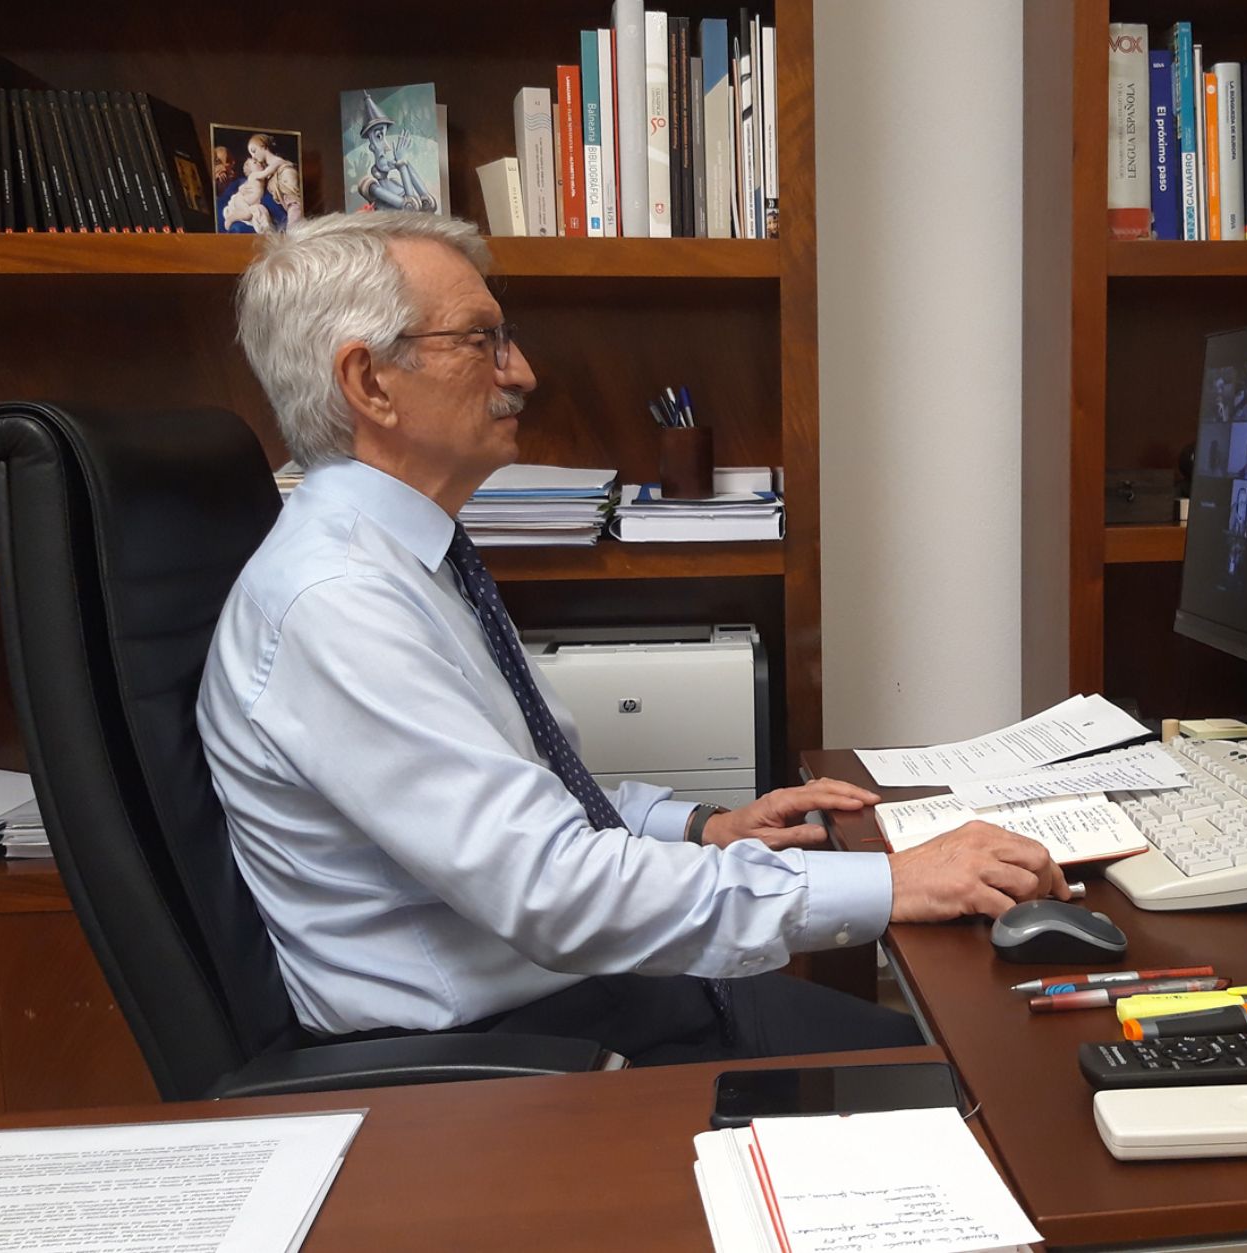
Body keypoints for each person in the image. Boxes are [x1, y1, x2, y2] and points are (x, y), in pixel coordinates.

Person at [200, 213, 1070, 1065]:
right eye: (481, 340)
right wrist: (897, 883)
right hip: (506, 1059)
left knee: (971, 1044)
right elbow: (555, 887)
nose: (525, 372)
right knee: (983, 1080)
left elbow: (528, 803)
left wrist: (701, 825)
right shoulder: (340, 605)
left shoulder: (405, 558)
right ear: (371, 383)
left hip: (582, 992)